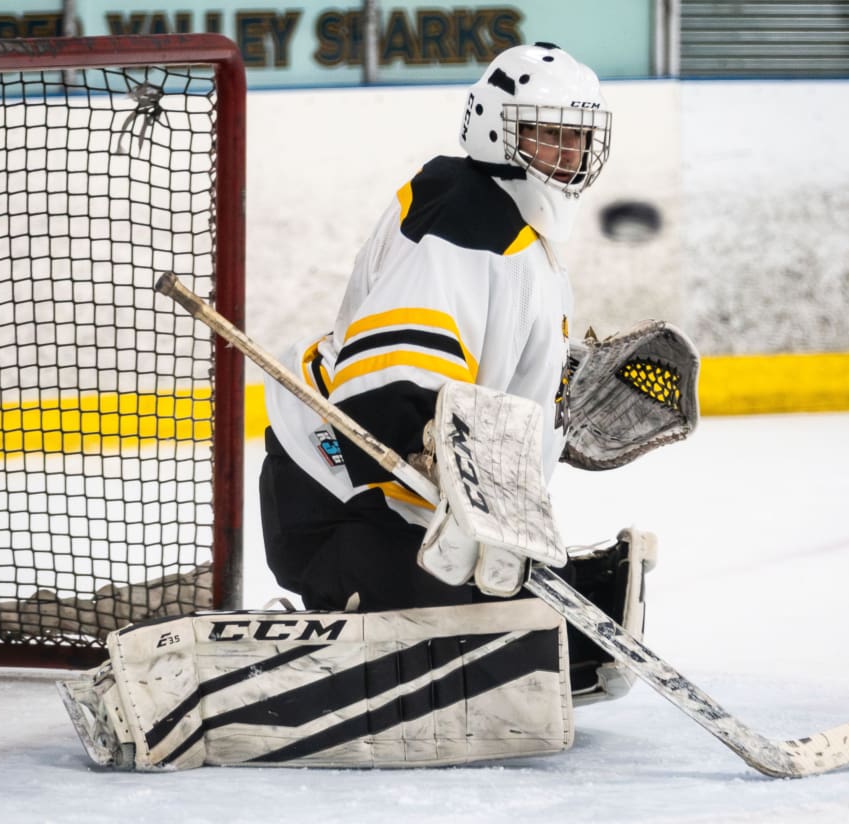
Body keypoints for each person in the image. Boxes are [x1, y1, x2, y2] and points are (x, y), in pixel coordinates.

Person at [259, 42, 648, 700]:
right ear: (498, 130)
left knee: (539, 638)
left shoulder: (524, 237)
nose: (567, 155)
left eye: (577, 138)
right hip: (338, 491)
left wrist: (559, 402)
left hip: (413, 507)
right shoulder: (465, 223)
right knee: (450, 659)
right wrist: (428, 445)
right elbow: (390, 378)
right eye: (548, 135)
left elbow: (486, 371)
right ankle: (323, 633)